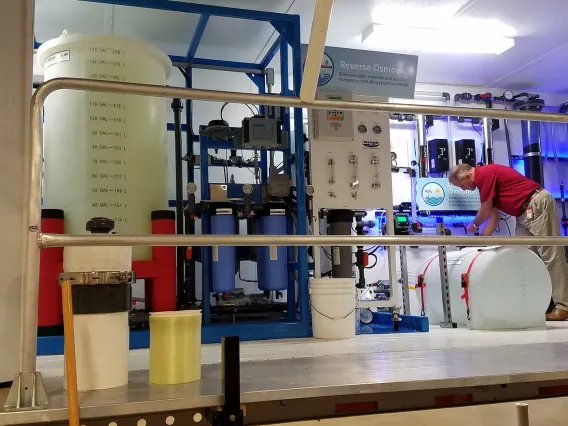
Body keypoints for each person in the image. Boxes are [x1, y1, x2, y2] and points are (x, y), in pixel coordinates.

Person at [449, 163, 568, 321]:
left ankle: (563, 307)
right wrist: (478, 247)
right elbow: (494, 216)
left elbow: (485, 210)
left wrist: (474, 224)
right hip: (523, 214)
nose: (463, 190)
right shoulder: (485, 183)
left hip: (536, 205)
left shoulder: (484, 175)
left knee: (551, 256)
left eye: (462, 186)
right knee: (523, 258)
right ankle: (536, 304)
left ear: (468, 176)